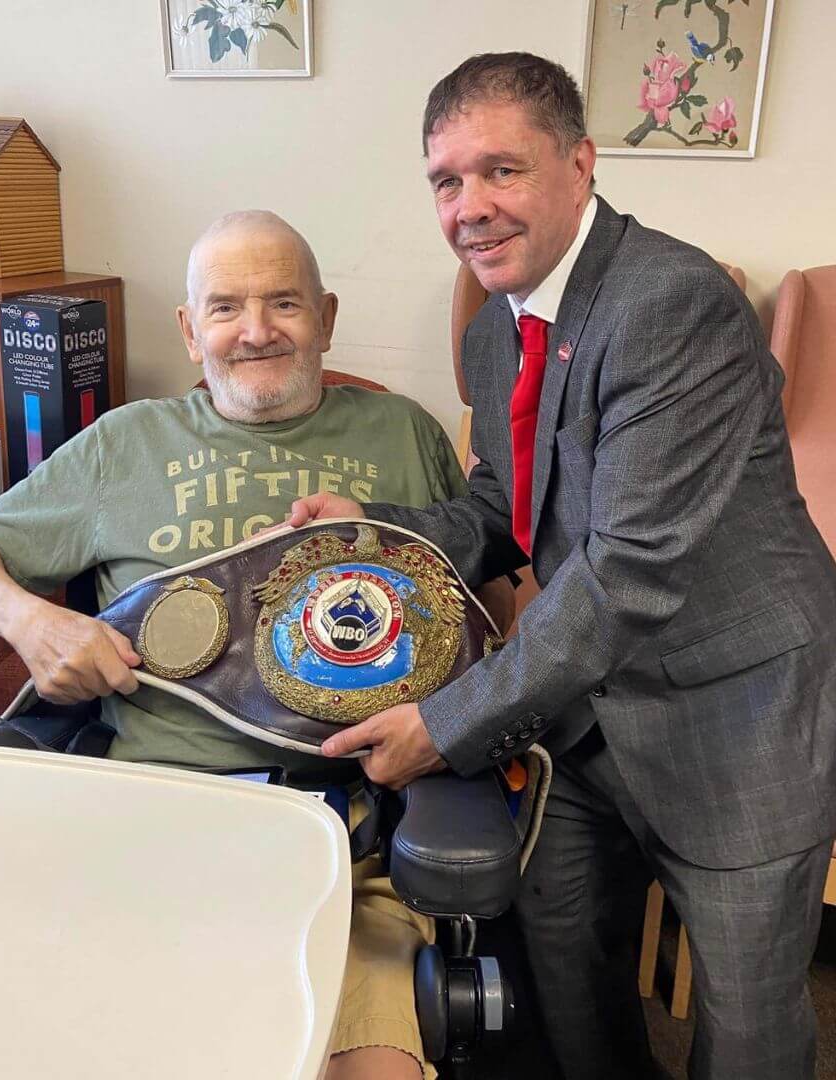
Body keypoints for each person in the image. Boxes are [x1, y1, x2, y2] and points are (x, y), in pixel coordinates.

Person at [286, 53, 836, 1080]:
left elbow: (626, 571)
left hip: (736, 718)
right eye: (446, 181)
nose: (470, 207)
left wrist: (444, 727)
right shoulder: (499, 326)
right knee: (567, 978)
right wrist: (376, 523)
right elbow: (510, 506)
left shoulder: (671, 302)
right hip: (586, 713)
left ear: (580, 165)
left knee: (751, 1031)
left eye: (501, 171)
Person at [0, 210, 465, 1080]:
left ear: (325, 317)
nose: (256, 331)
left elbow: (488, 613)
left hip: (350, 839)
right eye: (226, 308)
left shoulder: (406, 435)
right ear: (189, 329)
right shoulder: (123, 444)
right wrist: (34, 622)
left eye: (284, 303)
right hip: (151, 832)